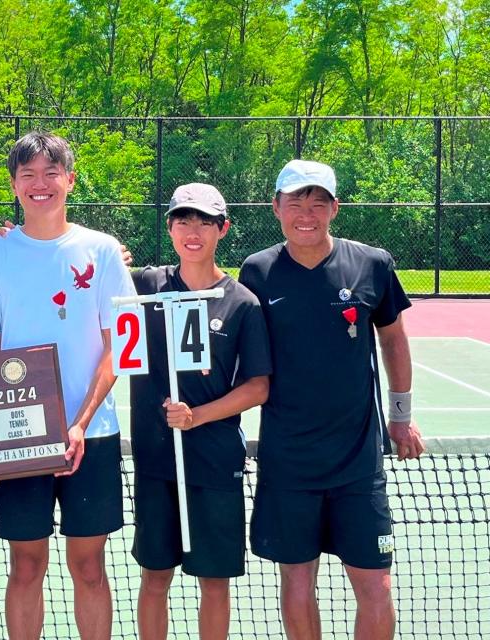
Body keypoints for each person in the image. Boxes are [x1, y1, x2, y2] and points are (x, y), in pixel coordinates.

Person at [238, 159, 426, 640]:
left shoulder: (372, 263)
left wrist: (401, 416)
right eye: (296, 201)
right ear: (275, 207)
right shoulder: (257, 271)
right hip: (288, 461)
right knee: (297, 581)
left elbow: (394, 341)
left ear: (334, 208)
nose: (307, 212)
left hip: (358, 464)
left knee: (377, 585)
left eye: (318, 201)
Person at [0, 131, 136, 640]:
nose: (40, 185)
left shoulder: (102, 251)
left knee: (88, 567)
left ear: (70, 179)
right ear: (14, 185)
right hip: (20, 440)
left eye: (50, 173)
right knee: (26, 565)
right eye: (28, 175)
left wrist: (80, 424)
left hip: (94, 435)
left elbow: (118, 349)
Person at [129, 183, 270, 640]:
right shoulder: (145, 285)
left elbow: (258, 386)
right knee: (155, 578)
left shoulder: (242, 303)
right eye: (184, 220)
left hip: (213, 461)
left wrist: (198, 416)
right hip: (155, 462)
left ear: (222, 229)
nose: (194, 231)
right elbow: (83, 265)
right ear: (169, 226)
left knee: (214, 580)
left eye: (205, 222)